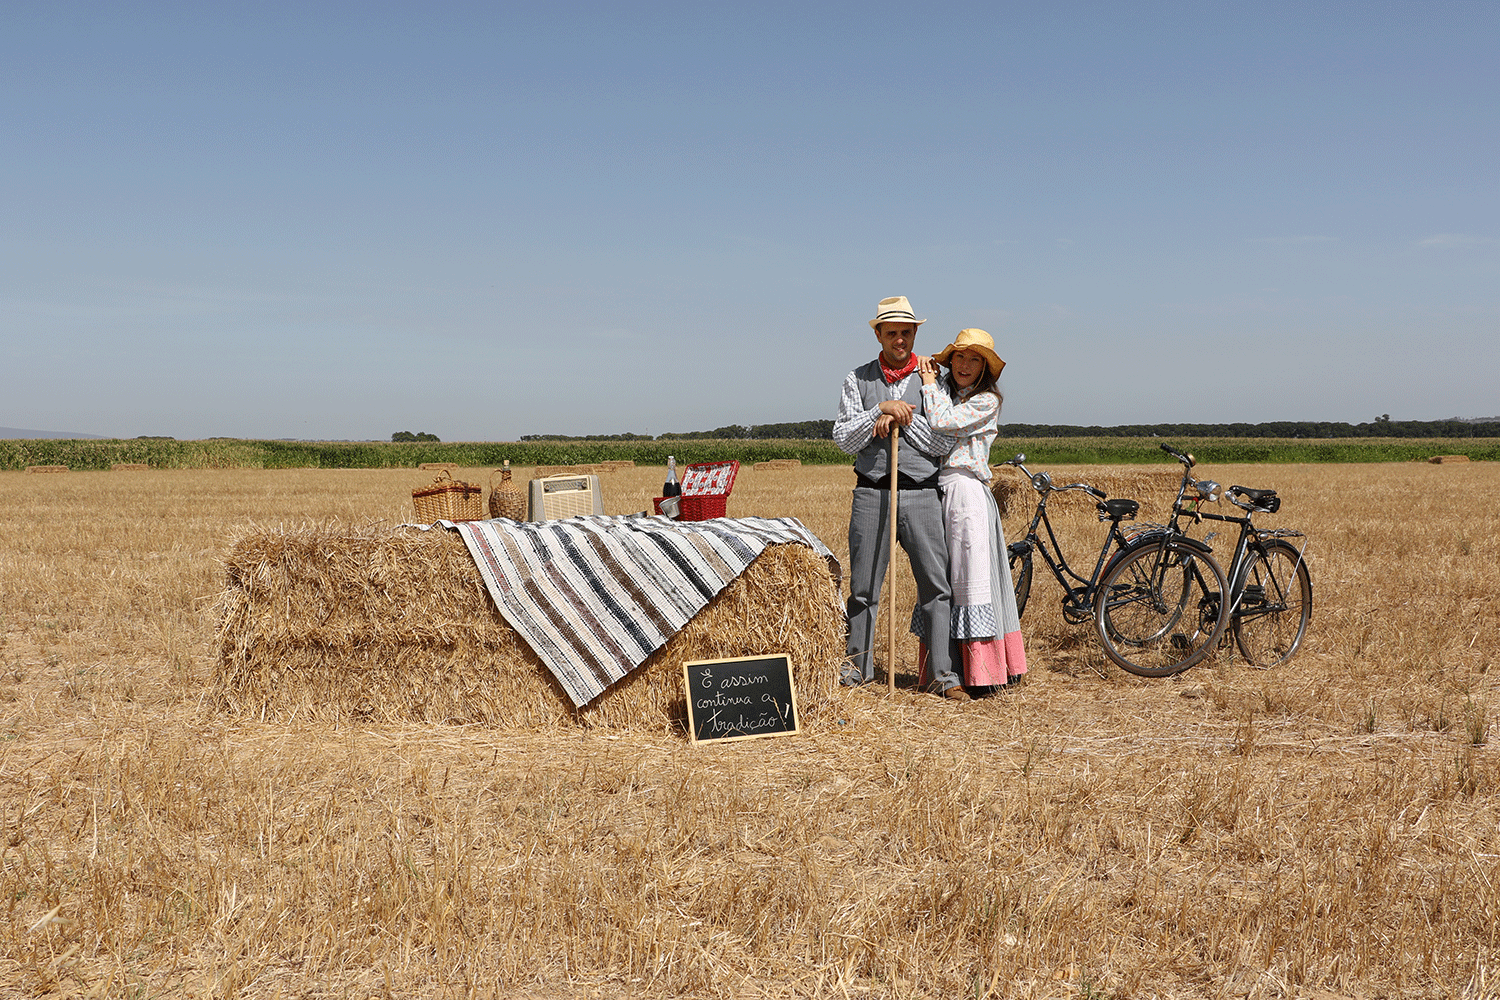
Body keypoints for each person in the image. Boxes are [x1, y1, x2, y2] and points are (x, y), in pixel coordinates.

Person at [833, 296, 967, 701]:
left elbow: (943, 440)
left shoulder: (935, 380)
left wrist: (901, 419)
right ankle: (858, 669)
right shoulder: (856, 378)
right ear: (878, 334)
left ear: (915, 333)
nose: (900, 339)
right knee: (863, 589)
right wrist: (878, 412)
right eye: (891, 332)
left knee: (936, 586)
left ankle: (942, 676)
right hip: (872, 492)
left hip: (922, 493)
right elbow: (843, 439)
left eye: (906, 332)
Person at [916, 329, 1027, 691]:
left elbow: (942, 422)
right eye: (960, 357)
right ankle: (942, 671)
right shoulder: (944, 393)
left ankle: (980, 673)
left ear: (985, 369)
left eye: (974, 359)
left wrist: (929, 383)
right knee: (939, 577)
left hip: (965, 491)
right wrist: (932, 385)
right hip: (937, 489)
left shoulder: (986, 402)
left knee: (969, 579)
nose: (965, 365)